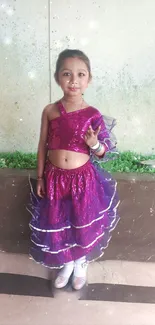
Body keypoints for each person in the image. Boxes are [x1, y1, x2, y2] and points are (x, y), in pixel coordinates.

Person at [28, 49, 120, 291]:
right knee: (59, 221)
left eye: (81, 75)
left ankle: (80, 263)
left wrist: (94, 144)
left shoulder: (93, 114)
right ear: (57, 77)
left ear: (89, 80)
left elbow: (104, 152)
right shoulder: (50, 110)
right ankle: (66, 262)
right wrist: (40, 177)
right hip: (55, 178)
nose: (74, 80)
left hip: (83, 180)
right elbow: (42, 144)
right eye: (67, 74)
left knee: (81, 222)